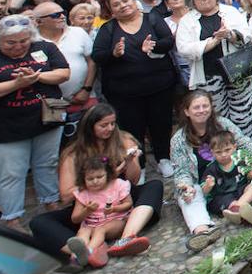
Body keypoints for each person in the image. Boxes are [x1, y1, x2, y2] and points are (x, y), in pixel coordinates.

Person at [28, 103, 160, 262]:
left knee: (154, 186)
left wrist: (131, 162)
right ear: (90, 127)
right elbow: (66, 195)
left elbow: (134, 180)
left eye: (112, 124)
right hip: (89, 210)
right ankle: (81, 253)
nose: (110, 128)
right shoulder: (73, 153)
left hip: (120, 204)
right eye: (103, 125)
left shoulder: (124, 139)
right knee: (39, 222)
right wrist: (99, 181)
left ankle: (127, 238)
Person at [0, 15, 69, 230]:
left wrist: (36, 77)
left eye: (23, 41)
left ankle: (51, 202)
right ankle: (12, 217)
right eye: (11, 43)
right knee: (10, 173)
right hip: (5, 125)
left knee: (48, 163)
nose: (18, 46)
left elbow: (63, 73)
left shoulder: (45, 47)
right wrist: (16, 84)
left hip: (48, 115)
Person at [90, 0, 177, 176]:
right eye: (116, 4)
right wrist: (114, 53)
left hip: (159, 86)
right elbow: (97, 55)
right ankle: (139, 164)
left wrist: (153, 44)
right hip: (124, 93)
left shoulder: (152, 18)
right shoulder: (108, 28)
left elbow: (168, 41)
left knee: (161, 124)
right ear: (111, 11)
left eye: (125, 1)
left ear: (133, 0)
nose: (123, 6)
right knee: (131, 128)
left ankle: (164, 158)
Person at [170, 90, 252, 252]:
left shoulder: (223, 124)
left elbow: (243, 142)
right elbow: (181, 171)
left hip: (235, 176)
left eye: (205, 106)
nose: (202, 110)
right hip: (206, 184)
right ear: (186, 111)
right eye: (196, 107)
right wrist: (186, 186)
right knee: (189, 196)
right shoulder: (179, 140)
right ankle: (202, 231)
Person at [175, 0, 251, 137]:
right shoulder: (187, 20)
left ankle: (246, 151)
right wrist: (213, 41)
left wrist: (229, 34)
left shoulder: (230, 12)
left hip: (238, 72)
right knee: (217, 116)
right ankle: (224, 150)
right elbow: (184, 48)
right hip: (208, 76)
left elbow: (247, 36)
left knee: (242, 115)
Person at [65, 155, 133, 269]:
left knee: (100, 230)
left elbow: (128, 204)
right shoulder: (83, 193)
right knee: (83, 232)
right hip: (92, 224)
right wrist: (87, 210)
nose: (95, 181)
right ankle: (75, 257)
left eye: (99, 177)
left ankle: (89, 251)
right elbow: (75, 218)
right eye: (90, 179)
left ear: (108, 174)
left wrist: (114, 209)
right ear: (83, 179)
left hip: (116, 220)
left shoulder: (118, 184)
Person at [200, 130, 252, 226]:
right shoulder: (211, 169)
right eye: (218, 152)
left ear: (234, 147)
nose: (223, 155)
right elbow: (203, 191)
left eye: (227, 150)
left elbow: (249, 175)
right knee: (221, 201)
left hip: (241, 192)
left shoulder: (240, 160)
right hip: (223, 197)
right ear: (212, 153)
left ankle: (239, 208)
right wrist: (208, 186)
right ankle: (240, 212)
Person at [161, 0, 192, 86]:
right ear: (167, 3)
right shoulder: (165, 22)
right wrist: (175, 35)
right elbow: (165, 44)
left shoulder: (195, 16)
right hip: (181, 65)